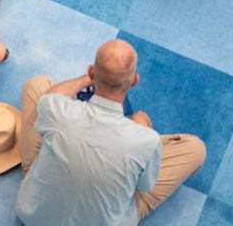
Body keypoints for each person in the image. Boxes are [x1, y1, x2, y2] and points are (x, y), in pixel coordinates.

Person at [16, 39, 206, 225]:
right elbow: (145, 186)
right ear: (134, 81)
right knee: (195, 149)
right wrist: (138, 128)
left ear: (91, 71)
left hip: (34, 216)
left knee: (37, 85)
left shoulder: (57, 109)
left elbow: (49, 98)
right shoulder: (146, 140)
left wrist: (84, 80)